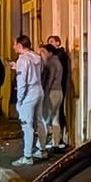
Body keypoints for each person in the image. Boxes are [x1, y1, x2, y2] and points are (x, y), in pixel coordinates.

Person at [11, 35, 45, 165]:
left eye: (15, 45)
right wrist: (17, 67)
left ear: (20, 45)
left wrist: (19, 100)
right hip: (39, 90)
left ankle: (27, 156)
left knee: (27, 126)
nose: (14, 47)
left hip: (28, 93)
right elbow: (37, 72)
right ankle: (42, 150)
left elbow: (22, 81)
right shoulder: (36, 57)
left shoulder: (22, 60)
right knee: (40, 121)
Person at [38, 42, 66, 158]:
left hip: (52, 92)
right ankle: (56, 143)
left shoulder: (51, 63)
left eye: (43, 52)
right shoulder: (57, 61)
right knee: (55, 119)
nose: (41, 54)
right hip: (59, 92)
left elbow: (49, 79)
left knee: (45, 119)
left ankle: (42, 147)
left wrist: (45, 92)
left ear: (50, 52)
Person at [45, 35, 73, 150]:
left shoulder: (58, 57)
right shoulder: (58, 57)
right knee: (56, 115)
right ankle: (56, 140)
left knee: (53, 115)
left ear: (58, 43)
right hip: (59, 88)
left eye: (52, 41)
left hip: (56, 88)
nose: (50, 44)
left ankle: (55, 139)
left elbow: (52, 76)